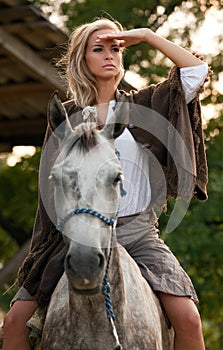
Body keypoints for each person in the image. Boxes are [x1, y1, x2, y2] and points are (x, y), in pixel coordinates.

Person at [2, 17, 209, 350]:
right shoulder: (65, 117)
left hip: (138, 233)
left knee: (188, 318)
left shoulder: (146, 105)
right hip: (75, 233)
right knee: (13, 323)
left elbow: (196, 71)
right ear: (82, 59)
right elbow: (50, 190)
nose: (109, 55)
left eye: (115, 49)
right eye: (98, 49)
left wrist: (147, 35)